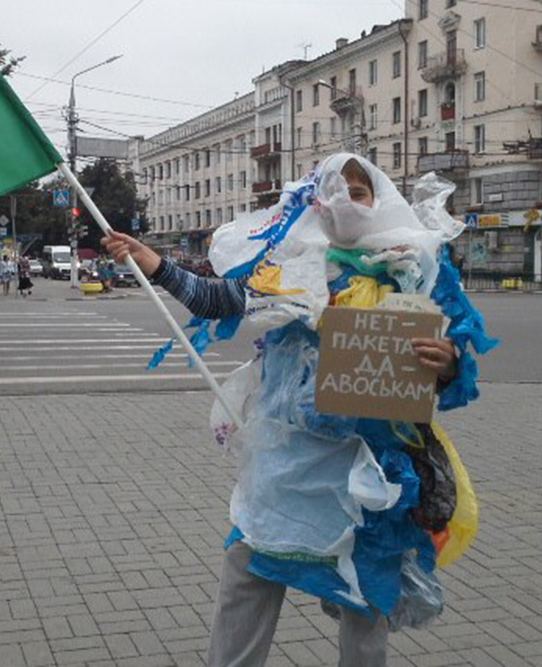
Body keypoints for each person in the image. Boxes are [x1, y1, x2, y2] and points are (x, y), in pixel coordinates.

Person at [103, 153, 495, 667]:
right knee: (248, 574)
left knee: (364, 603)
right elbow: (221, 300)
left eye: (360, 192)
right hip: (286, 466)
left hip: (368, 473)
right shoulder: (288, 261)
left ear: (378, 199)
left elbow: (450, 364)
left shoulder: (416, 266)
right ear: (313, 200)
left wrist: (443, 363)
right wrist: (155, 263)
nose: (347, 202)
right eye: (335, 190)